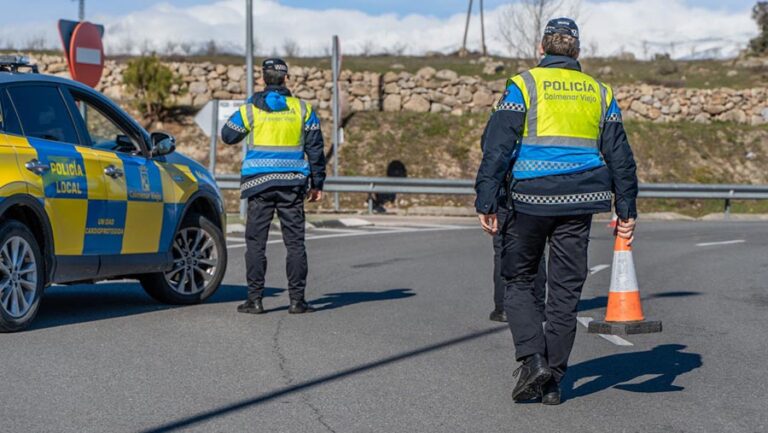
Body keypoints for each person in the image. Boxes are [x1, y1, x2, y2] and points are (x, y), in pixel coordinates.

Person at [474, 18, 638, 405]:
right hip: (579, 202)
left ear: (541, 48)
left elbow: (497, 145)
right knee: (565, 293)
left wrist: (486, 199)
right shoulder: (600, 92)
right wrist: (626, 204)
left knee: (519, 281)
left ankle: (533, 361)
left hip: (529, 198)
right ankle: (553, 383)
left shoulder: (524, 84)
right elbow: (620, 154)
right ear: (577, 51)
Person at [221, 58, 326, 315]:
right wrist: (317, 182)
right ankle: (297, 301)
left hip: (259, 185)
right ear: (286, 79)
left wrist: (250, 106)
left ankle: (255, 300)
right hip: (292, 184)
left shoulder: (251, 109)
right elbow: (315, 148)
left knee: (256, 243)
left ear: (263, 79)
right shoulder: (303, 109)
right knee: (295, 244)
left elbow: (228, 135)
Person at [482, 124, 547, 323]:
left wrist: (487, 199)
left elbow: (489, 147)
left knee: (503, 249)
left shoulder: (506, 105)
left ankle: (503, 308)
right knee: (536, 249)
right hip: (536, 186)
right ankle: (535, 305)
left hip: (506, 188)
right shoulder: (541, 106)